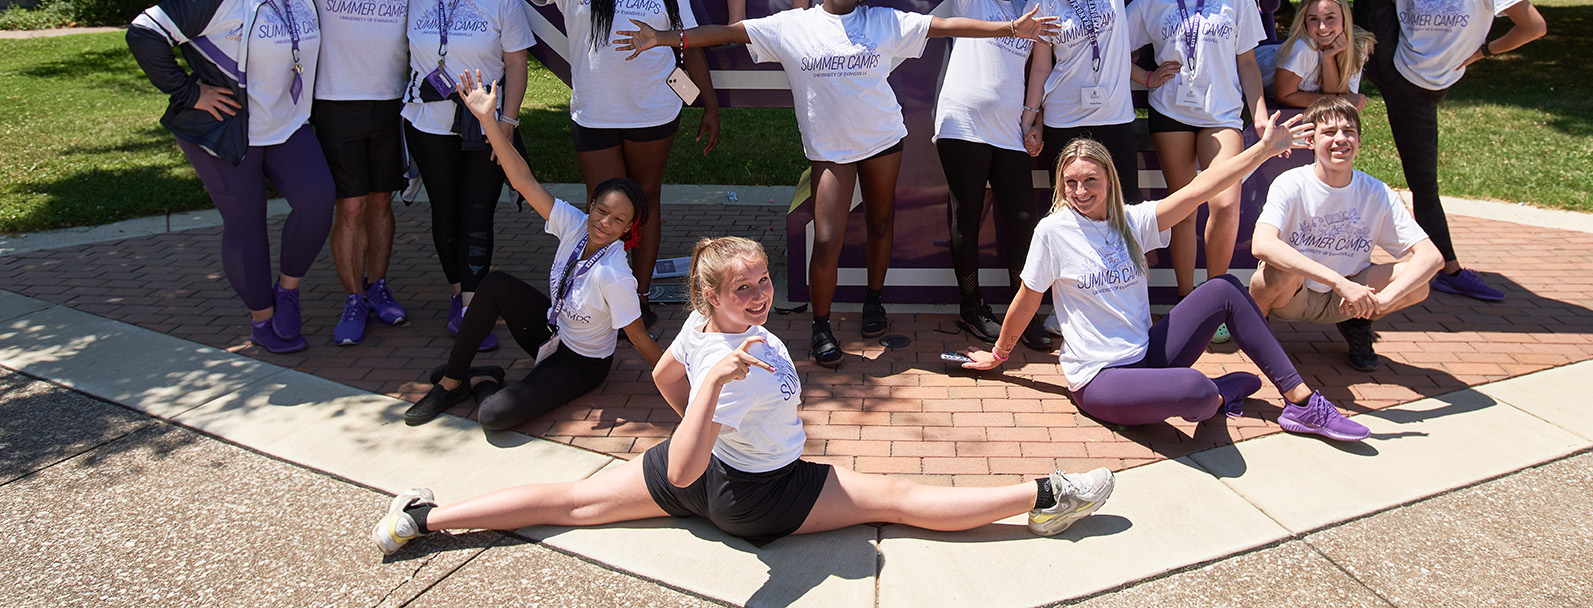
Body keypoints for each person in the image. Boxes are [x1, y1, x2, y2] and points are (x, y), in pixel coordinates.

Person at [372, 234, 1115, 555]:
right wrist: (711, 405)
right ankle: (1046, 495)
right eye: (744, 289)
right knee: (897, 496)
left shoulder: (699, 327)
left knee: (570, 502)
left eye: (762, 282)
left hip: (702, 474)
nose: (760, 296)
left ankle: (423, 519)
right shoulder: (736, 359)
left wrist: (701, 411)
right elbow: (691, 453)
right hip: (758, 497)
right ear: (712, 295)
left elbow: (665, 378)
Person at [612, 0, 1058, 368]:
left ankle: (873, 301)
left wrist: (1011, 27)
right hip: (830, 150)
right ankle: (822, 327)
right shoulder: (792, 25)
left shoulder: (883, 22)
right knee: (827, 239)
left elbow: (947, 26)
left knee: (881, 221)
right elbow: (727, 33)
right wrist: (661, 38)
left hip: (883, 138)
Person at [963, 123, 1372, 444]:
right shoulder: (1054, 232)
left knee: (1224, 288)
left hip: (1148, 354)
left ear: (1109, 181)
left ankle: (1301, 402)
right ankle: (1218, 391)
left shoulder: (1132, 221)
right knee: (1195, 389)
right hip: (1100, 379)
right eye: (1070, 182)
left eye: (1090, 181)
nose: (1080, 191)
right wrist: (999, 356)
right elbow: (1028, 298)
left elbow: (1200, 188)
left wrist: (1262, 150)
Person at [1319, 0, 1548, 301]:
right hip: (1390, 59)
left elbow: (1533, 27)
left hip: (1420, 93)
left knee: (1423, 180)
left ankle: (1445, 266)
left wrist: (1486, 50)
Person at [207, 0, 419, 346]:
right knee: (352, 206)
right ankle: (352, 298)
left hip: (388, 106)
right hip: (334, 104)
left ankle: (378, 288)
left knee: (381, 204)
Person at [504, 0, 722, 329]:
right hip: (596, 110)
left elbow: (688, 41)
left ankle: (636, 300)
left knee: (645, 200)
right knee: (603, 211)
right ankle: (599, 294)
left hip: (652, 109)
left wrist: (709, 104)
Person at [402, 73, 664, 429]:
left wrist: (689, 384)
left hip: (580, 363)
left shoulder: (615, 274)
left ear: (628, 229)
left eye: (618, 220)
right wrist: (487, 120)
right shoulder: (573, 223)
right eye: (601, 211)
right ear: (591, 204)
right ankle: (453, 381)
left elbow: (638, 338)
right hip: (552, 329)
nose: (605, 223)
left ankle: (483, 381)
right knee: (494, 284)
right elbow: (522, 179)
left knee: (493, 416)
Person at [127, 0, 331, 353]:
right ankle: (262, 318)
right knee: (246, 224)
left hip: (287, 125)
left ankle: (288, 291)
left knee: (317, 203)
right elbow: (143, 33)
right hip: (228, 131)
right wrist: (187, 91)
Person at [1124, 0, 1269, 320]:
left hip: (1222, 114)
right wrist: (1146, 78)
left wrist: (1258, 112)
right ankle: (1190, 304)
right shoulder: (1153, 0)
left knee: (1225, 204)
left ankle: (1214, 299)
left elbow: (1247, 61)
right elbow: (1113, 48)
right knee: (1183, 207)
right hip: (1170, 113)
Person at [404, 0, 535, 348]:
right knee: (446, 212)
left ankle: (474, 303)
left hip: (485, 123)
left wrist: (509, 123)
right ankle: (457, 296)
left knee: (477, 213)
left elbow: (517, 62)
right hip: (428, 122)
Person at [935, 0, 1058, 350]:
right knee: (967, 215)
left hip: (1008, 131)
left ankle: (1021, 312)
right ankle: (971, 308)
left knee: (1023, 218)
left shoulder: (1026, 11)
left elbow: (1037, 74)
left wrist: (1034, 121)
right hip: (963, 125)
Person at [1250, 95, 1443, 371]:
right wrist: (1338, 281)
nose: (1341, 139)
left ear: (1360, 142)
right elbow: (1262, 244)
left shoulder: (1376, 192)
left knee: (1417, 283)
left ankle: (1359, 324)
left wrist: (1379, 302)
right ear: (1310, 141)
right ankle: (1258, 332)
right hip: (1294, 295)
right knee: (1278, 269)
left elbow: (1431, 257)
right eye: (1329, 132)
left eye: (1349, 132)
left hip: (1345, 301)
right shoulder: (1291, 183)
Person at [1020, 0, 1140, 199]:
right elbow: (1041, 67)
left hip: (1115, 117)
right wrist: (1029, 117)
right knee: (1070, 209)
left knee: (1122, 208)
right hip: (1065, 119)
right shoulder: (1042, 1)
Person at [1267, 0, 1373, 111]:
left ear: (1345, 18)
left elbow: (1340, 99)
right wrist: (1340, 100)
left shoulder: (1358, 45)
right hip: (1251, 70)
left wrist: (1328, 58)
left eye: (1330, 17)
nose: (1322, 26)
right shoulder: (1303, 49)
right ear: (1304, 21)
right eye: (1313, 19)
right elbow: (1284, 96)